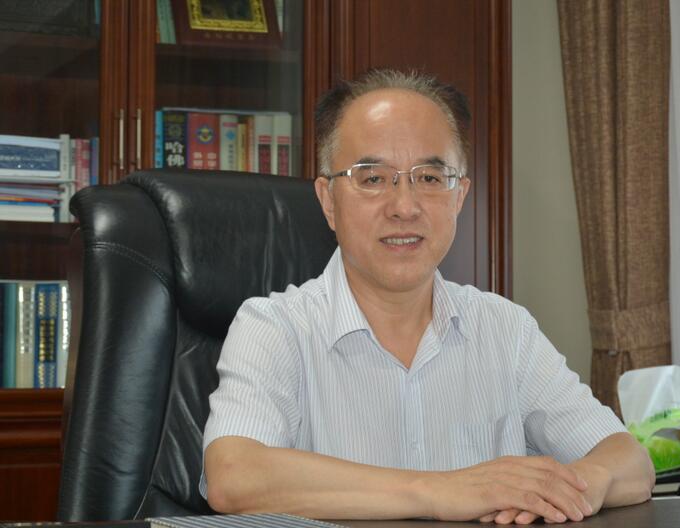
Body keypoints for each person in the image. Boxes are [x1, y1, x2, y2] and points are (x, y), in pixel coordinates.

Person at [201, 69, 654, 524]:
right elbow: (234, 476)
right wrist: (439, 490)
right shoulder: (274, 327)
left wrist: (576, 486)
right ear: (328, 201)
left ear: (459, 197)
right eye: (372, 178)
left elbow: (630, 463)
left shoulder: (505, 329)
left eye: (431, 178)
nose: (404, 206)